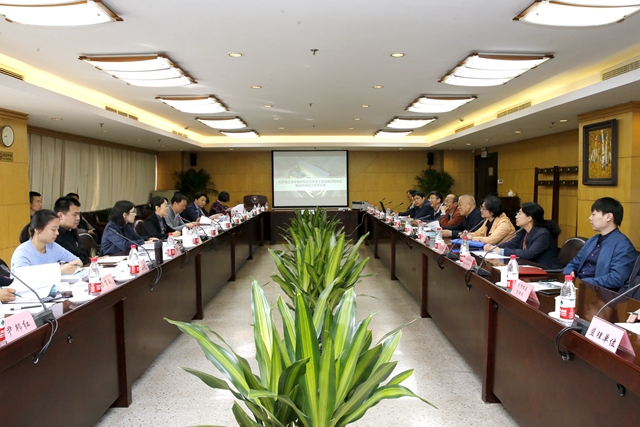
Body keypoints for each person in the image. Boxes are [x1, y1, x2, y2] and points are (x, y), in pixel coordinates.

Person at [563, 197, 635, 290]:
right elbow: (575, 262)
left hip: (598, 292)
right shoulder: (593, 240)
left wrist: (583, 282)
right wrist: (569, 272)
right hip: (577, 287)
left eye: (593, 214)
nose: (590, 218)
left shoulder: (623, 246)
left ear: (608, 217)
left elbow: (616, 278)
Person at [485, 202, 562, 269]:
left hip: (547, 270)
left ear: (529, 218)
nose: (516, 216)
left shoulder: (543, 234)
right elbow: (511, 244)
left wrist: (502, 251)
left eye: (520, 213)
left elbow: (529, 254)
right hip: (529, 267)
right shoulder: (523, 231)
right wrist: (493, 246)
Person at [10, 209, 82, 273]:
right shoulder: (23, 251)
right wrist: (58, 270)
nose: (57, 233)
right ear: (37, 230)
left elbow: (78, 261)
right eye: (53, 229)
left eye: (57, 229)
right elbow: (22, 276)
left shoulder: (53, 247)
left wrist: (68, 267)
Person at [54, 196, 91, 265]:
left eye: (79, 214)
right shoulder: (54, 236)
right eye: (74, 215)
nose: (78, 218)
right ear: (60, 216)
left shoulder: (73, 231)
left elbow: (83, 257)